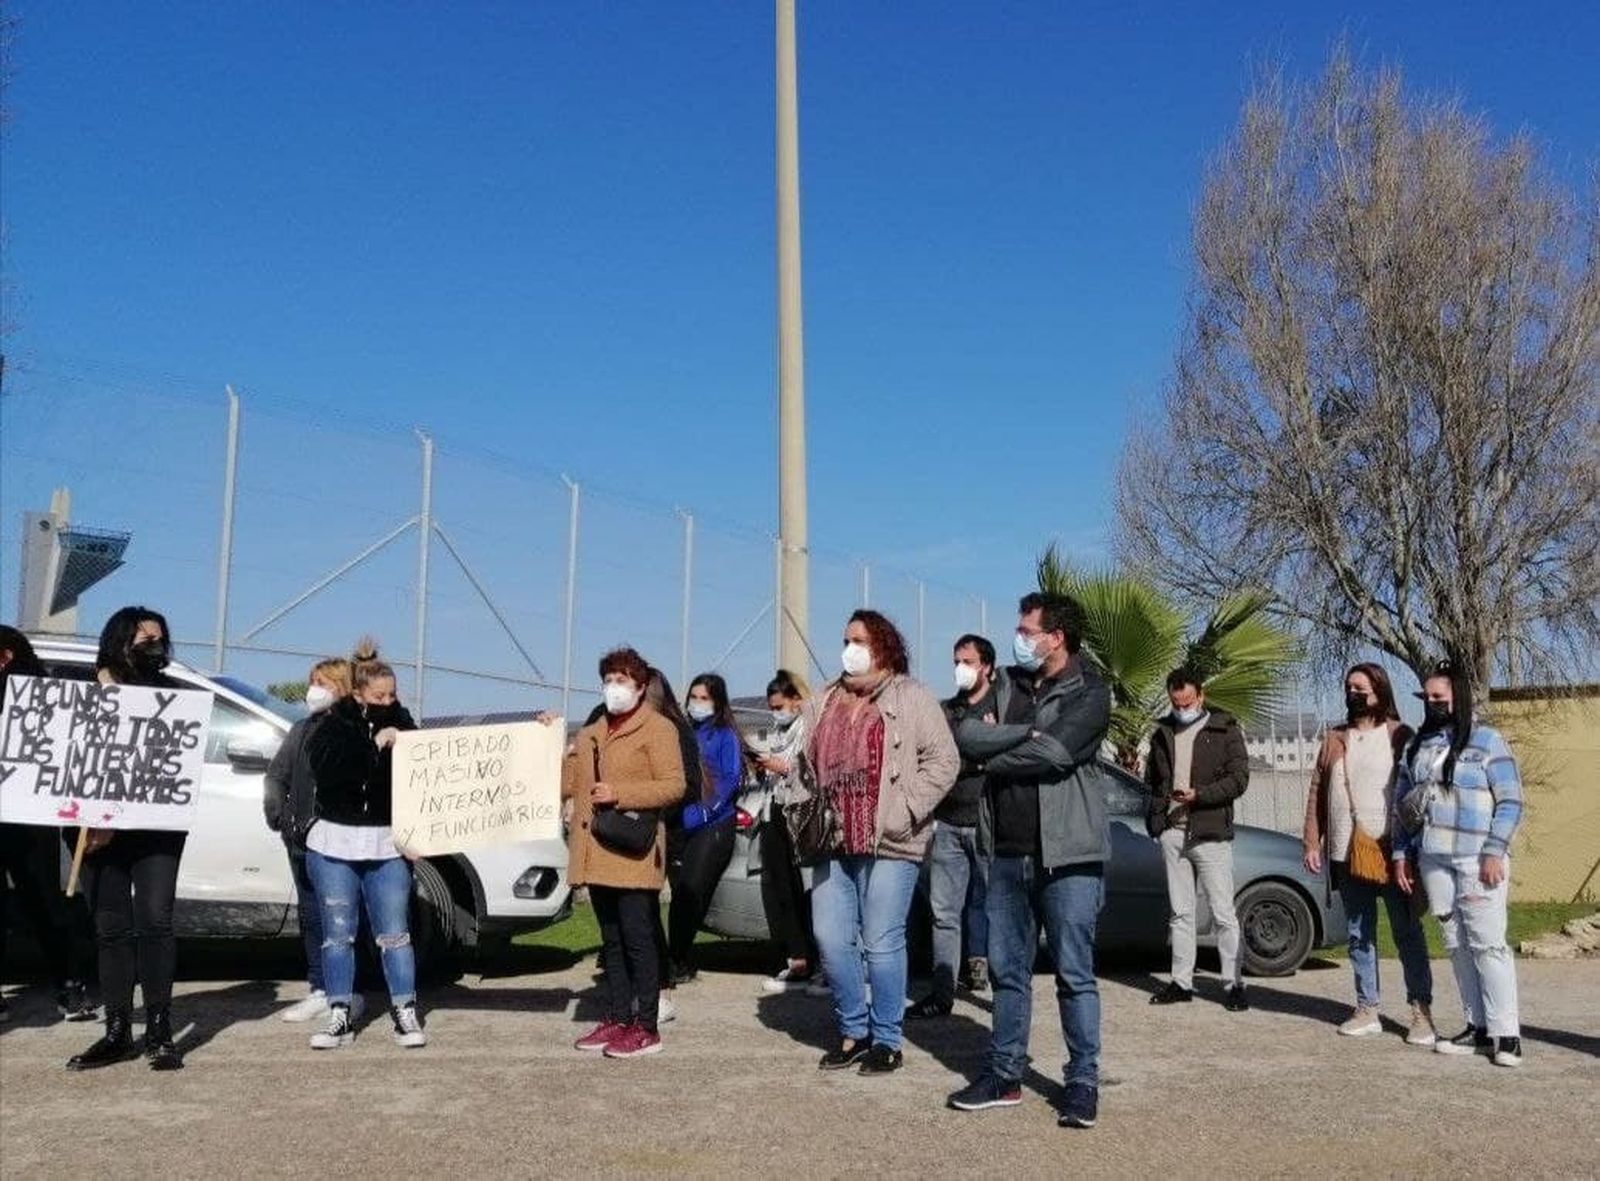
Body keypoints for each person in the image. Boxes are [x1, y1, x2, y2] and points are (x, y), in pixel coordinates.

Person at [947, 593, 1111, 1130]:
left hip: (1069, 858)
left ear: (1055, 636)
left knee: (1074, 974)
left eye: (1027, 628)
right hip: (1007, 855)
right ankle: (1004, 1074)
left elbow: (1057, 753)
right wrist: (1020, 734)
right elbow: (967, 734)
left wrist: (996, 751)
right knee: (1007, 975)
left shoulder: (1091, 690)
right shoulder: (1008, 684)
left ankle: (1082, 1083)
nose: (1020, 636)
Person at [803, 610, 958, 1077]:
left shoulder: (912, 696)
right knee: (830, 938)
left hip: (891, 840)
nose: (850, 647)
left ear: (884, 646)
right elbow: (806, 759)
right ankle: (854, 1029)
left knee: (882, 939)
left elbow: (944, 760)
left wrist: (905, 810)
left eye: (860, 639)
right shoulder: (825, 697)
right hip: (832, 837)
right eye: (846, 638)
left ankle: (886, 1038)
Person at [67, 607, 189, 1071]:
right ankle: (117, 1031)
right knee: (110, 928)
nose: (154, 647)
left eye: (160, 639)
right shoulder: (84, 690)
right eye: (144, 639)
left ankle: (160, 1030)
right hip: (94, 830)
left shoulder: (172, 696)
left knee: (156, 921)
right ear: (120, 640)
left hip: (156, 828)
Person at [1393, 660, 1525, 1067]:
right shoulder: (1416, 748)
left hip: (1476, 858)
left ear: (1458, 699)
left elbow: (1510, 801)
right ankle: (1478, 1027)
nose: (1433, 704)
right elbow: (1401, 806)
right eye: (1428, 698)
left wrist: (1493, 850)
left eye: (1440, 698)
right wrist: (1402, 852)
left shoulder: (1487, 741)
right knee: (1456, 945)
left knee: (1488, 944)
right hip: (1433, 857)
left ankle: (1507, 1035)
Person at [560, 647, 686, 1058]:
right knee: (611, 941)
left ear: (640, 685)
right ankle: (617, 1017)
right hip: (596, 851)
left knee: (638, 940)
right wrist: (547, 739)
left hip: (633, 850)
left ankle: (646, 1027)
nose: (615, 687)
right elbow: (567, 782)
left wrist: (622, 793)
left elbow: (673, 785)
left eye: (623, 679)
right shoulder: (592, 731)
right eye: (609, 678)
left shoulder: (659, 729)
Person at [302, 641, 426, 1050]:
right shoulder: (331, 724)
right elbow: (326, 770)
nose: (387, 702)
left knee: (395, 932)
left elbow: (432, 773)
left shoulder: (405, 725)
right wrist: (372, 747)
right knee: (338, 933)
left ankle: (405, 1011)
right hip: (336, 842)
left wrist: (401, 739)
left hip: (387, 843)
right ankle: (339, 1012)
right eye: (378, 697)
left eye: (391, 695)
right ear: (357, 695)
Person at [1302, 663, 1434, 1043]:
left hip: (1393, 852)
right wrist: (1313, 840)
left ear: (1379, 690)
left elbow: (1414, 791)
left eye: (1360, 687)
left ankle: (1421, 1011)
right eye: (1349, 687)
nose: (1354, 693)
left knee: (1407, 931)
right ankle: (1367, 1008)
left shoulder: (1400, 735)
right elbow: (1316, 791)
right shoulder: (1334, 738)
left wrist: (1411, 848)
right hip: (1346, 851)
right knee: (1359, 933)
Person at [0, 626, 96, 1026]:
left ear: (6, 656)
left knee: (44, 901)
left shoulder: (43, 698)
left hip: (29, 817)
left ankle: (69, 983)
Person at [1145, 668, 1251, 1012]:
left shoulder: (1225, 729)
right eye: (1176, 703)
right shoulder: (1162, 732)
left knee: (1223, 913)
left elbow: (1239, 780)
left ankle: (1234, 983)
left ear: (1201, 696)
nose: (1182, 707)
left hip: (1210, 833)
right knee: (1180, 913)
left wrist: (1200, 795)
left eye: (1187, 702)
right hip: (1173, 834)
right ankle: (1181, 981)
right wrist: (1157, 822)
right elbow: (1153, 782)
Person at [908, 634, 996, 1019]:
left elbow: (1006, 754)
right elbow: (933, 759)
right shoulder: (947, 712)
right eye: (957, 660)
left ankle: (1006, 994)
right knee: (944, 913)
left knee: (1000, 907)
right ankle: (942, 994)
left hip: (989, 824)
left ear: (987, 667)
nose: (961, 668)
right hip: (948, 824)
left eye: (969, 661)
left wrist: (977, 755)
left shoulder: (1002, 708)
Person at [262, 657, 352, 1024]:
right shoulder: (300, 730)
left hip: (343, 843)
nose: (315, 689)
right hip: (301, 844)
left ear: (343, 688)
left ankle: (346, 993)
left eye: (324, 682)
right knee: (312, 918)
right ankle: (320, 989)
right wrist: (280, 819)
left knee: (342, 922)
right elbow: (276, 777)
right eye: (313, 681)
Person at [666, 674, 743, 983]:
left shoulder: (725, 736)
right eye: (693, 697)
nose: (697, 704)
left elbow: (729, 781)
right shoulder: (681, 731)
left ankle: (677, 959)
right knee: (679, 893)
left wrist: (703, 813)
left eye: (704, 698)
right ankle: (673, 957)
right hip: (681, 823)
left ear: (717, 702)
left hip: (714, 824)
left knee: (691, 890)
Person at [751, 670, 820, 994]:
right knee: (783, 887)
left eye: (780, 705)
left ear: (796, 700)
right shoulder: (779, 731)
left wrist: (784, 767)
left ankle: (817, 959)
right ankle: (797, 958)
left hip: (802, 811)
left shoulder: (810, 728)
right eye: (772, 706)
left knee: (806, 889)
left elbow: (812, 769)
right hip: (776, 808)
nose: (777, 711)